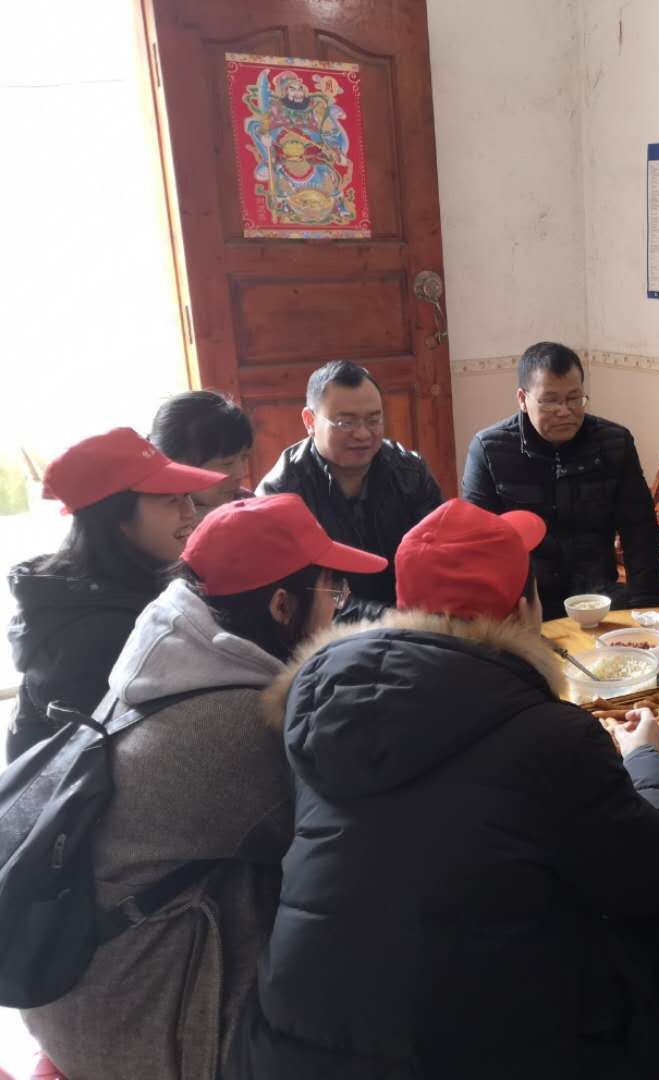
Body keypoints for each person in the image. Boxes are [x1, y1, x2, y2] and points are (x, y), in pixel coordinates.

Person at [228, 499, 659, 1079]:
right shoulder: (550, 735)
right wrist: (649, 760)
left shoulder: (323, 704)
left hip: (289, 1050)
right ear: (523, 609)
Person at [21, 494, 385, 1080]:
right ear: (282, 604)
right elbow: (353, 844)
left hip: (79, 989)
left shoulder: (168, 654)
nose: (338, 612)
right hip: (133, 1027)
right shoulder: (237, 725)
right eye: (332, 593)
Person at [6, 427, 226, 761]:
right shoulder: (96, 633)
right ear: (117, 520)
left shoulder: (131, 581)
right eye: (172, 500)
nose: (189, 512)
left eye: (188, 497)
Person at [462, 342, 659, 619]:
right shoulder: (490, 450)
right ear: (522, 399)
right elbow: (478, 543)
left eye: (574, 398)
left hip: (599, 599)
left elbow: (639, 531)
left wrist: (648, 608)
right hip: (525, 603)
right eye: (550, 400)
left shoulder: (614, 443)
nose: (565, 410)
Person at [260, 359, 442, 607]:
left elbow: (437, 558)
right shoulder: (282, 491)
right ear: (310, 421)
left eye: (373, 420)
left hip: (410, 612)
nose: (363, 434)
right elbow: (302, 593)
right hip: (324, 623)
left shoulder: (410, 472)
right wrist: (387, 618)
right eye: (346, 423)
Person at [150, 389, 256, 518]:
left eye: (244, 457)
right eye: (226, 463)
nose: (240, 474)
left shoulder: (245, 502)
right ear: (175, 464)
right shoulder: (155, 522)